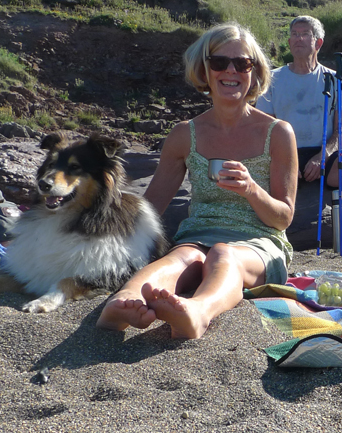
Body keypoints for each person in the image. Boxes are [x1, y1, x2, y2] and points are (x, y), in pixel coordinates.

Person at [96, 23, 297, 339]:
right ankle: (126, 298)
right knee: (183, 255)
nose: (230, 70)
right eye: (219, 62)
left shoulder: (278, 133)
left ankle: (198, 312)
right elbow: (151, 207)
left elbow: (283, 218)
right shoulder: (184, 135)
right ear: (204, 70)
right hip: (197, 235)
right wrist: (99, 234)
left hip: (259, 242)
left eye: (242, 63)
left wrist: (252, 189)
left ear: (255, 73)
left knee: (222, 254)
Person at [255, 15, 342, 247]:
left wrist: (324, 154)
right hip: (284, 154)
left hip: (325, 155)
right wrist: (289, 160)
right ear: (289, 43)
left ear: (318, 43)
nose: (298, 39)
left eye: (305, 34)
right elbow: (266, 126)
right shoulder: (272, 79)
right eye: (294, 34)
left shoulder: (337, 80)